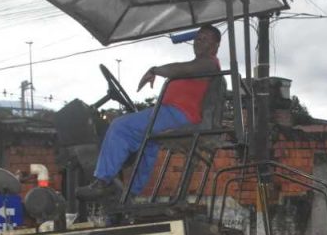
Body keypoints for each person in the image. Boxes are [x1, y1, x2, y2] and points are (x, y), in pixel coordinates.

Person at [78, 24, 222, 200]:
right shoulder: (201, 64)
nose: (198, 42)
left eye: (205, 39)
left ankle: (102, 181)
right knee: (148, 143)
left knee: (119, 126)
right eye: (197, 38)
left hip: (177, 115)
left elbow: (181, 69)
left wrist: (155, 70)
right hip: (169, 113)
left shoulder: (209, 63)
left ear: (215, 46)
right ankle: (131, 193)